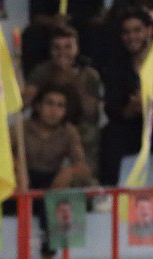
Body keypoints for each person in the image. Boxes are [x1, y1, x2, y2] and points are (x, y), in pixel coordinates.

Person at [98, 9, 153, 203]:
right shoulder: (115, 63)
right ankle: (107, 192)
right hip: (130, 127)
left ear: (149, 31)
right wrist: (129, 110)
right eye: (126, 32)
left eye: (137, 30)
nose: (132, 37)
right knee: (110, 133)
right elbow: (110, 108)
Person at [14, 84, 93, 259]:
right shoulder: (20, 127)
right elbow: (0, 156)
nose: (54, 110)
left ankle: (48, 256)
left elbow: (83, 168)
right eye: (49, 103)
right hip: (22, 180)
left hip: (51, 182)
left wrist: (70, 172)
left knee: (55, 199)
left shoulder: (68, 132)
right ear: (38, 106)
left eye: (60, 106)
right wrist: (15, 167)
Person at [25, 25, 104, 173]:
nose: (62, 53)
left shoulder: (89, 74)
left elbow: (92, 114)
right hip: (46, 125)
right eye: (57, 48)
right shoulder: (41, 71)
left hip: (79, 126)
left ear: (76, 49)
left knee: (90, 134)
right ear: (51, 50)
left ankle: (86, 178)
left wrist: (76, 82)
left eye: (68, 47)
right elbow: (24, 104)